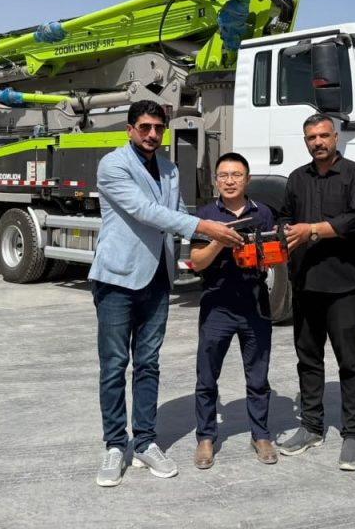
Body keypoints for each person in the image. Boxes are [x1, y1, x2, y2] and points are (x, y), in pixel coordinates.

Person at [89, 100, 244, 488]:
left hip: (157, 277)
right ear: (129, 129)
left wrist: (209, 242)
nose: (152, 134)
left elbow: (174, 216)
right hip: (117, 278)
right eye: (144, 127)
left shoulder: (170, 169)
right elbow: (145, 211)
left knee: (148, 364)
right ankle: (114, 445)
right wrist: (206, 227)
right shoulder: (113, 165)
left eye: (158, 128)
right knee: (114, 365)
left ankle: (144, 441)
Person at [277, 114, 355, 471]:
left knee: (350, 361)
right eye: (311, 137)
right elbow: (285, 218)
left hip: (343, 284)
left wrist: (313, 230)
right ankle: (311, 426)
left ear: (335, 137)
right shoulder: (296, 179)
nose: (317, 142)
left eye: (323, 135)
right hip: (305, 284)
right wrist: (282, 234)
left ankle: (353, 433)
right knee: (308, 359)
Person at [189, 153, 279, 469]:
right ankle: (205, 438)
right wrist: (219, 239)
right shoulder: (206, 215)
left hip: (255, 305)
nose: (230, 181)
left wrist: (270, 251)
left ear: (247, 179)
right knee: (206, 377)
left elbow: (272, 257)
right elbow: (197, 262)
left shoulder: (262, 212)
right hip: (217, 306)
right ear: (216, 180)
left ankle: (261, 435)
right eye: (224, 175)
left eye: (236, 175)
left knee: (258, 377)